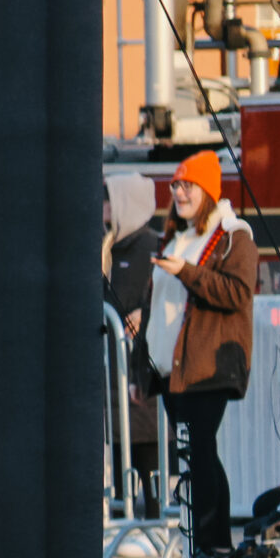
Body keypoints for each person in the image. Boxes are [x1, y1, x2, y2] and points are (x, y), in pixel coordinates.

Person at [147, 151, 257, 558]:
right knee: (200, 452)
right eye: (174, 185)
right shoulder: (176, 237)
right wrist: (144, 364)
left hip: (208, 365)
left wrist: (186, 272)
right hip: (173, 369)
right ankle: (213, 547)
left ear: (208, 191)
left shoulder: (234, 237)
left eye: (186, 185)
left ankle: (210, 548)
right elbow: (158, 303)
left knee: (198, 450)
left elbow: (237, 293)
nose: (177, 192)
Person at [104, 172, 165, 518]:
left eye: (109, 199)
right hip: (113, 363)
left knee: (145, 441)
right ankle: (123, 510)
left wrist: (145, 312)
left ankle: (153, 511)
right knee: (117, 437)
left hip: (139, 362)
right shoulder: (108, 247)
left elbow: (165, 291)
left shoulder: (151, 245)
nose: (103, 208)